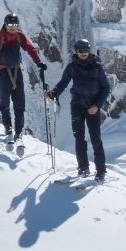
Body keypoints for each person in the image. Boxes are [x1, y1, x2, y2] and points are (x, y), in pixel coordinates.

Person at [45, 38, 111, 181]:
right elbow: (63, 83)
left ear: (89, 50)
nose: (83, 53)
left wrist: (97, 105)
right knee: (79, 139)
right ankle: (83, 168)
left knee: (96, 139)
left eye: (86, 50)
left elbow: (106, 88)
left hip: (93, 107)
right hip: (77, 106)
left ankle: (101, 172)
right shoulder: (72, 67)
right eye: (81, 51)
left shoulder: (97, 67)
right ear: (76, 51)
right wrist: (52, 94)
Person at [0, 12, 47, 142]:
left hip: (16, 70)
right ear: (5, 24)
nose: (13, 27)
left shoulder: (19, 36)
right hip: (2, 71)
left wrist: (39, 62)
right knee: (4, 101)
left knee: (20, 102)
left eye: (15, 24)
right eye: (10, 24)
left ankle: (18, 132)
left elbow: (30, 49)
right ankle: (8, 127)